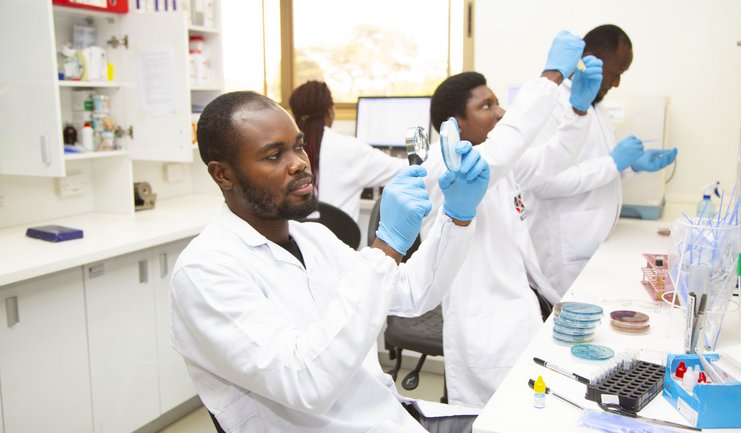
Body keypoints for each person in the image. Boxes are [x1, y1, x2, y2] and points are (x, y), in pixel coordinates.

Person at [169, 90, 492, 433]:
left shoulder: (314, 238)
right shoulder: (205, 272)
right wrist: (386, 247)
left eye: (298, 145)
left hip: (388, 416)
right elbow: (307, 383)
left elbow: (412, 295)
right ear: (223, 175)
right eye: (274, 155)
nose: (299, 163)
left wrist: (457, 216)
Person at [421, 30, 605, 408]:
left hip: (520, 314)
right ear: (455, 123)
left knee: (531, 411)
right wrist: (551, 78)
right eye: (486, 106)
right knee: (496, 418)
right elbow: (506, 148)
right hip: (483, 326)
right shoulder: (446, 167)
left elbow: (554, 157)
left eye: (498, 103)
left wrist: (579, 110)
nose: (500, 112)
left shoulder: (498, 163)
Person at [526, 24, 678, 297]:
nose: (617, 83)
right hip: (563, 252)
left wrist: (632, 165)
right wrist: (613, 163)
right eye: (616, 73)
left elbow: (596, 165)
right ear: (592, 59)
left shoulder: (597, 105)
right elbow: (545, 183)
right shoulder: (551, 104)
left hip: (592, 244)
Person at [289, 80, 406, 222]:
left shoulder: (284, 150)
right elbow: (405, 171)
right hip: (339, 242)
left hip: (293, 241)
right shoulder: (350, 148)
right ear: (330, 111)